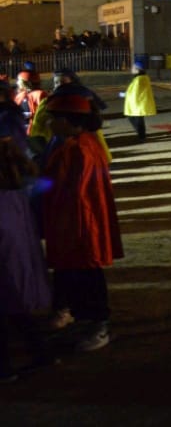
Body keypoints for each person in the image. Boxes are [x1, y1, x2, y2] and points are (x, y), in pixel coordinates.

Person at [39, 94, 123, 352]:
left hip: (77, 222)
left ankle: (98, 325)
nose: (50, 124)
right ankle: (86, 322)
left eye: (53, 119)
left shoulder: (77, 149)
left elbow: (60, 188)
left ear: (67, 121)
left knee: (85, 273)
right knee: (80, 272)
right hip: (80, 221)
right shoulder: (85, 144)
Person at [0, 137, 55, 383]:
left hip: (6, 263)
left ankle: (4, 369)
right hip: (17, 262)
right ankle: (43, 355)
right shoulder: (17, 190)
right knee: (18, 311)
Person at [122, 61, 157, 143]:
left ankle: (142, 136)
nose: (131, 69)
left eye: (133, 68)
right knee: (137, 119)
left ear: (138, 70)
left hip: (137, 103)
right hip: (138, 102)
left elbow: (134, 91)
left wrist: (124, 94)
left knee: (137, 120)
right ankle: (141, 135)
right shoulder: (142, 78)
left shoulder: (139, 79)